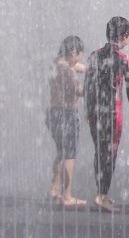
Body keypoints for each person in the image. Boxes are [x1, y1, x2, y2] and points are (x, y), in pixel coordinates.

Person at [84, 16, 129, 212]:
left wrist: (88, 110)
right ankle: (102, 195)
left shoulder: (94, 56)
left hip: (96, 112)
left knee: (100, 152)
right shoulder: (125, 61)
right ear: (124, 36)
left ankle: (101, 193)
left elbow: (88, 86)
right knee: (110, 154)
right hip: (113, 113)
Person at [47, 36, 87, 207]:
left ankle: (54, 190)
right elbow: (78, 91)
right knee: (70, 154)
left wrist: (90, 69)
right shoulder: (67, 72)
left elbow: (76, 66)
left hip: (53, 113)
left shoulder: (55, 64)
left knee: (61, 151)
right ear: (73, 53)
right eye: (79, 56)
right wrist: (93, 88)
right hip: (67, 114)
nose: (79, 60)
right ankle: (67, 196)